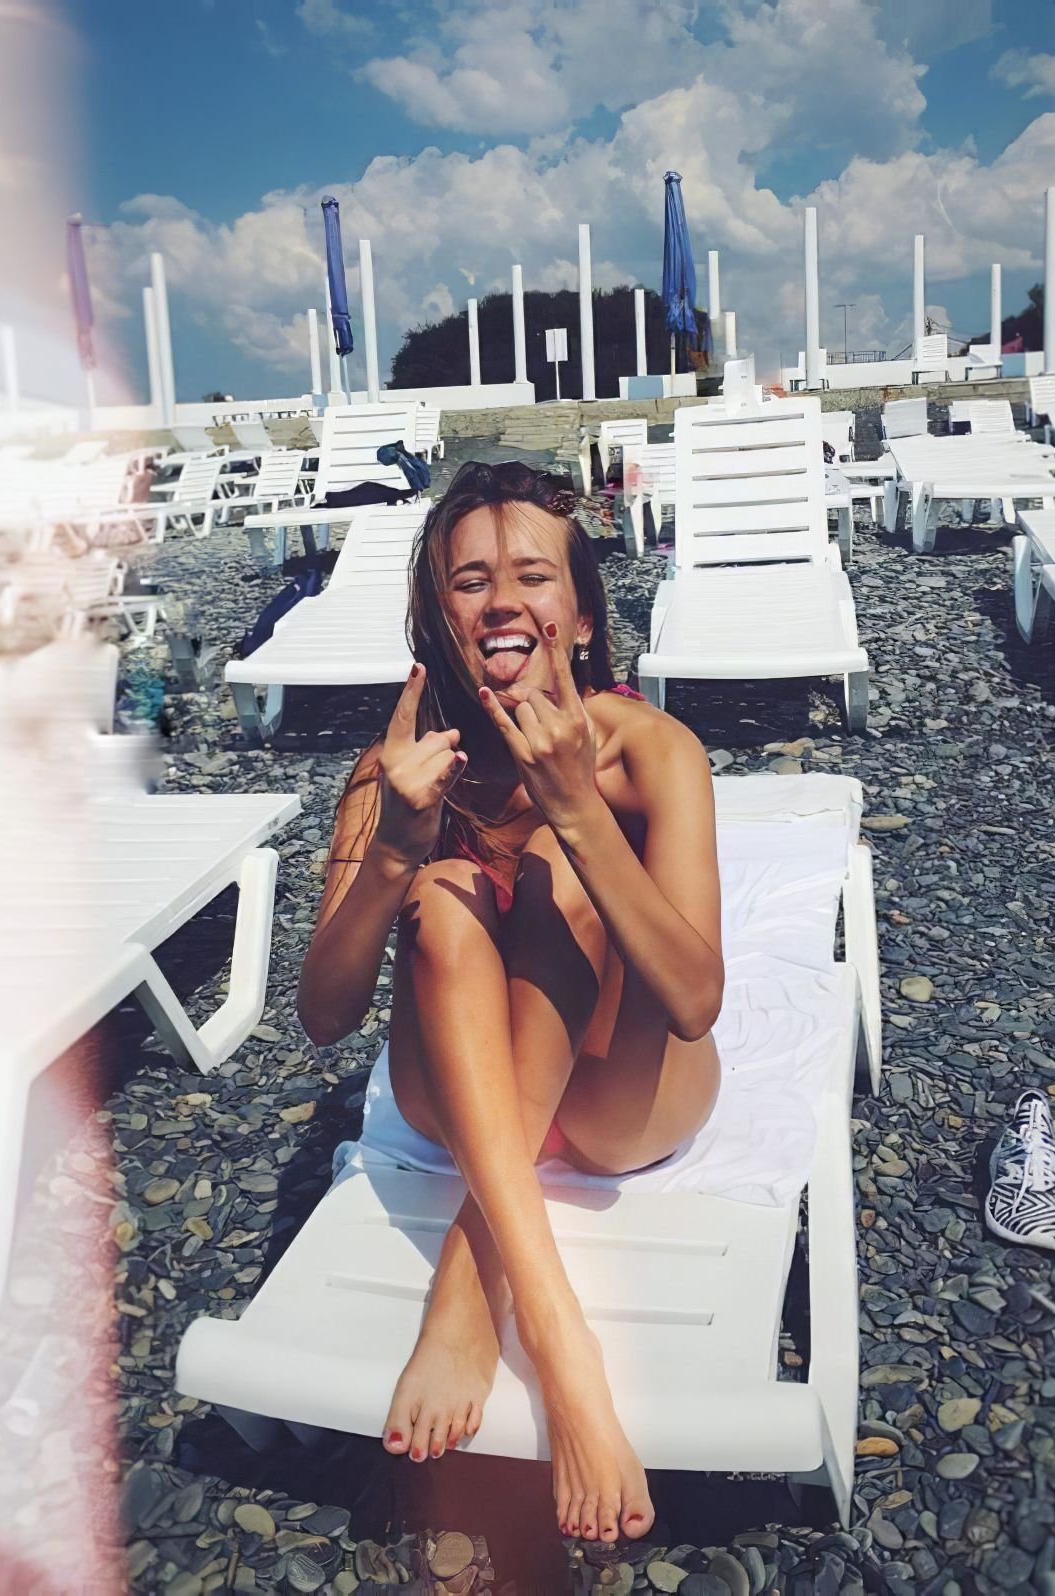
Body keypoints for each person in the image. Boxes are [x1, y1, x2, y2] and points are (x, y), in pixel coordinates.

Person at [298, 461, 725, 1545]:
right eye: (469, 580)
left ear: (580, 619)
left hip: (622, 1101)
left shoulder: (653, 750)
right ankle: (558, 1331)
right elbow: (325, 1015)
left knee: (559, 863)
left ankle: (474, 1282)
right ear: (437, 621)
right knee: (444, 892)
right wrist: (394, 852)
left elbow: (692, 1000)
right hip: (461, 1095)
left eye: (532, 576)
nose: (501, 601)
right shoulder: (396, 770)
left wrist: (578, 813)